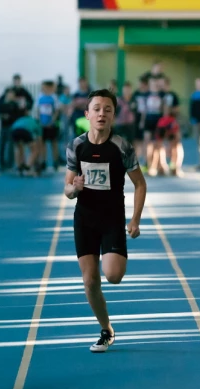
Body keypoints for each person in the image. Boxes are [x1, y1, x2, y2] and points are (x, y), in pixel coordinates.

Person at [64, 89, 147, 352]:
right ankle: (106, 329)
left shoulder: (122, 146)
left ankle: (106, 326)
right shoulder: (76, 146)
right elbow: (67, 190)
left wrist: (135, 220)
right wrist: (74, 188)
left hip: (112, 219)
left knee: (113, 276)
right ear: (87, 114)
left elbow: (140, 184)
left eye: (108, 109)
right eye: (97, 109)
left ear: (114, 115)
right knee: (90, 281)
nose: (102, 113)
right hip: (85, 219)